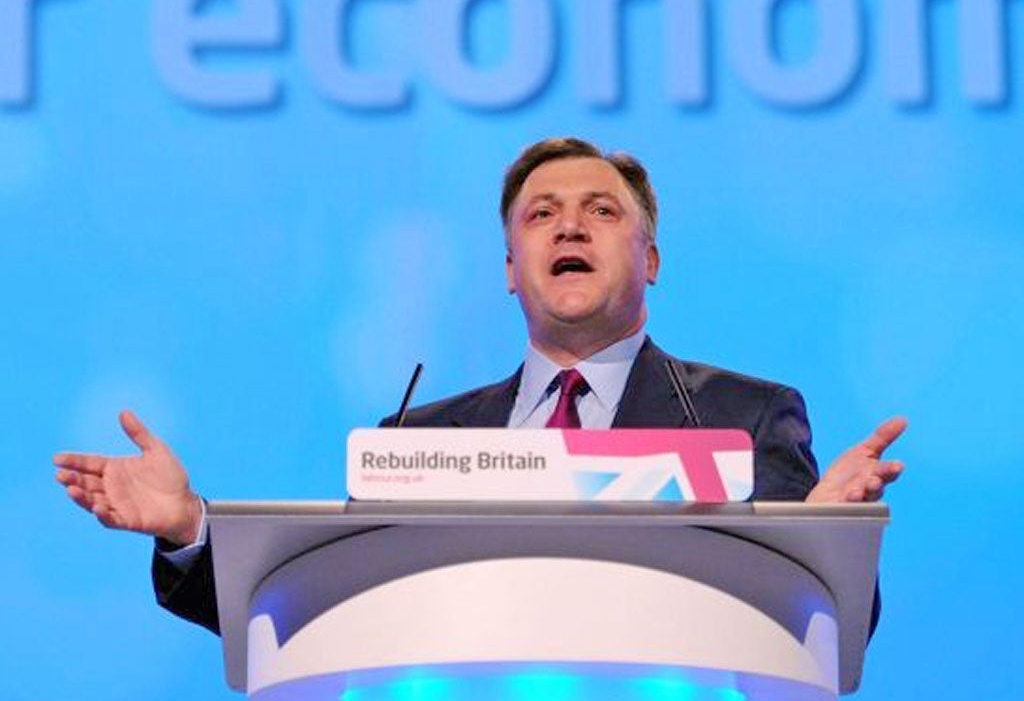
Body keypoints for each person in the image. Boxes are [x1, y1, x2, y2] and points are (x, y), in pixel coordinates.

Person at [54, 137, 906, 635]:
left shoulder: (744, 415)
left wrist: (823, 534)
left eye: (602, 211)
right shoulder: (418, 440)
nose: (569, 224)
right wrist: (190, 528)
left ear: (650, 260)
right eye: (541, 215)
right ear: (510, 269)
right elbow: (318, 606)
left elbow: (822, 628)